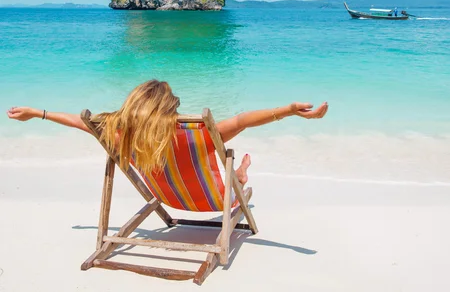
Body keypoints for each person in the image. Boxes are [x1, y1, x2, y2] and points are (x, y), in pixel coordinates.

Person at [6, 79, 329, 186]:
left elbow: (80, 121)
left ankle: (241, 171)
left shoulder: (119, 134)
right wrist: (289, 111)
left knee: (231, 165)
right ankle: (241, 174)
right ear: (171, 108)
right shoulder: (199, 134)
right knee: (233, 172)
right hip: (213, 198)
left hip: (166, 196)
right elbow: (244, 119)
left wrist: (38, 113)